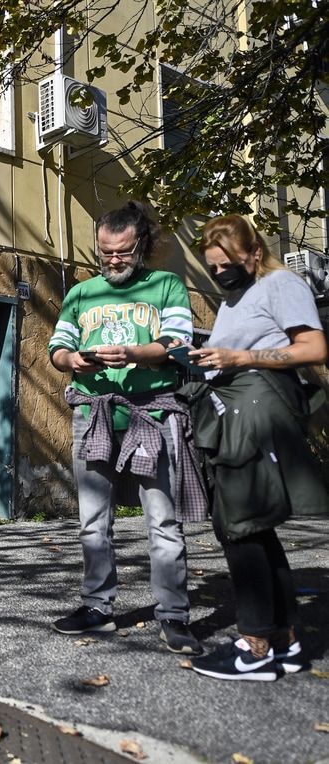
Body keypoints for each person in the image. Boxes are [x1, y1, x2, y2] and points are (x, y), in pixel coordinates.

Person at [47, 200, 206, 654]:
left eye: (123, 251)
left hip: (153, 413)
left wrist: (134, 353)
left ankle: (174, 616)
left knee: (164, 522)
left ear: (143, 244)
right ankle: (97, 608)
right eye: (105, 253)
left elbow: (179, 342)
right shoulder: (82, 293)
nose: (114, 260)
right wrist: (71, 360)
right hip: (94, 414)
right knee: (93, 522)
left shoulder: (166, 285)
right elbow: (57, 348)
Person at [180, 215, 328, 681]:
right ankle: (286, 642)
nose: (220, 273)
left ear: (255, 252)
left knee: (240, 526)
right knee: (252, 528)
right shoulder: (235, 299)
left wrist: (240, 356)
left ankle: (254, 647)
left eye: (228, 264)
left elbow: (314, 348)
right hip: (233, 411)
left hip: (257, 411)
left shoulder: (280, 284)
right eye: (212, 267)